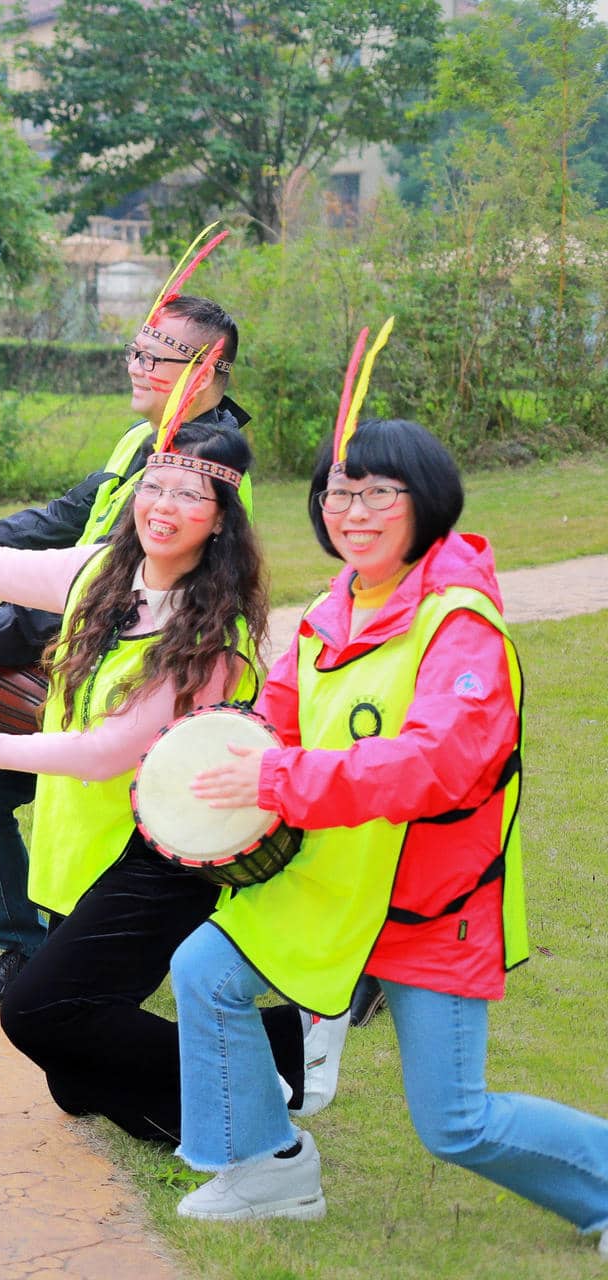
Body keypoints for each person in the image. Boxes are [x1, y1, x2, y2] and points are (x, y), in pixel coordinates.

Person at [171, 414, 608, 1243]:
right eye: (338, 493)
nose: (354, 512)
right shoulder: (332, 608)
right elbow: (277, 723)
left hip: (431, 902)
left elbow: (437, 764)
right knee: (204, 970)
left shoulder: (462, 624)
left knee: (456, 1124)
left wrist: (278, 779)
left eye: (379, 493)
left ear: (427, 499)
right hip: (331, 882)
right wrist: (206, 758)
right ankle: (268, 1167)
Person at [0, 418, 308, 1143]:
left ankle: (261, 1081)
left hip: (166, 857)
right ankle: (277, 1053)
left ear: (220, 521)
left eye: (190, 495)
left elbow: (104, 753)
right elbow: (0, 568)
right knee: (75, 1081)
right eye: (155, 486)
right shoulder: (106, 573)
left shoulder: (212, 638)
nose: (164, 506)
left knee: (38, 1015)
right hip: (93, 841)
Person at [0, 292, 248, 1011]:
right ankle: (33, 953)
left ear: (205, 371)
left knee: (82, 826)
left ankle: (66, 966)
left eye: (156, 356)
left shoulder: (209, 472)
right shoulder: (140, 441)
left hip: (140, 694)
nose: (136, 365)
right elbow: (63, 526)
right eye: (136, 350)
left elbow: (103, 584)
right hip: (85, 675)